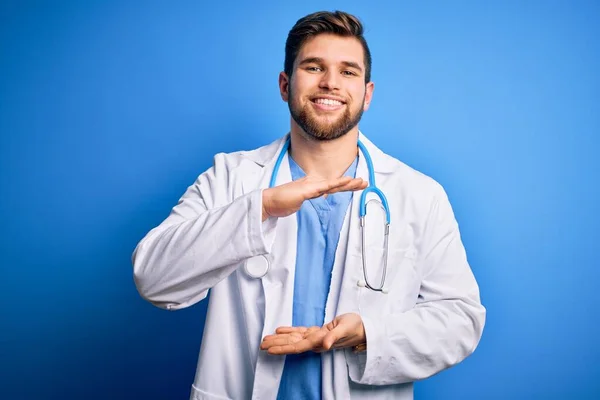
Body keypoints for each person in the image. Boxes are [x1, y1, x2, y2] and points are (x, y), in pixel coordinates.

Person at [132, 10, 486, 400]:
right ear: (285, 85)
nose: (330, 83)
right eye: (314, 67)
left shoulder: (419, 195)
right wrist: (260, 208)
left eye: (348, 72)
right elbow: (153, 277)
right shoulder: (230, 178)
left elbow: (461, 320)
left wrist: (368, 334)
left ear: (367, 94)